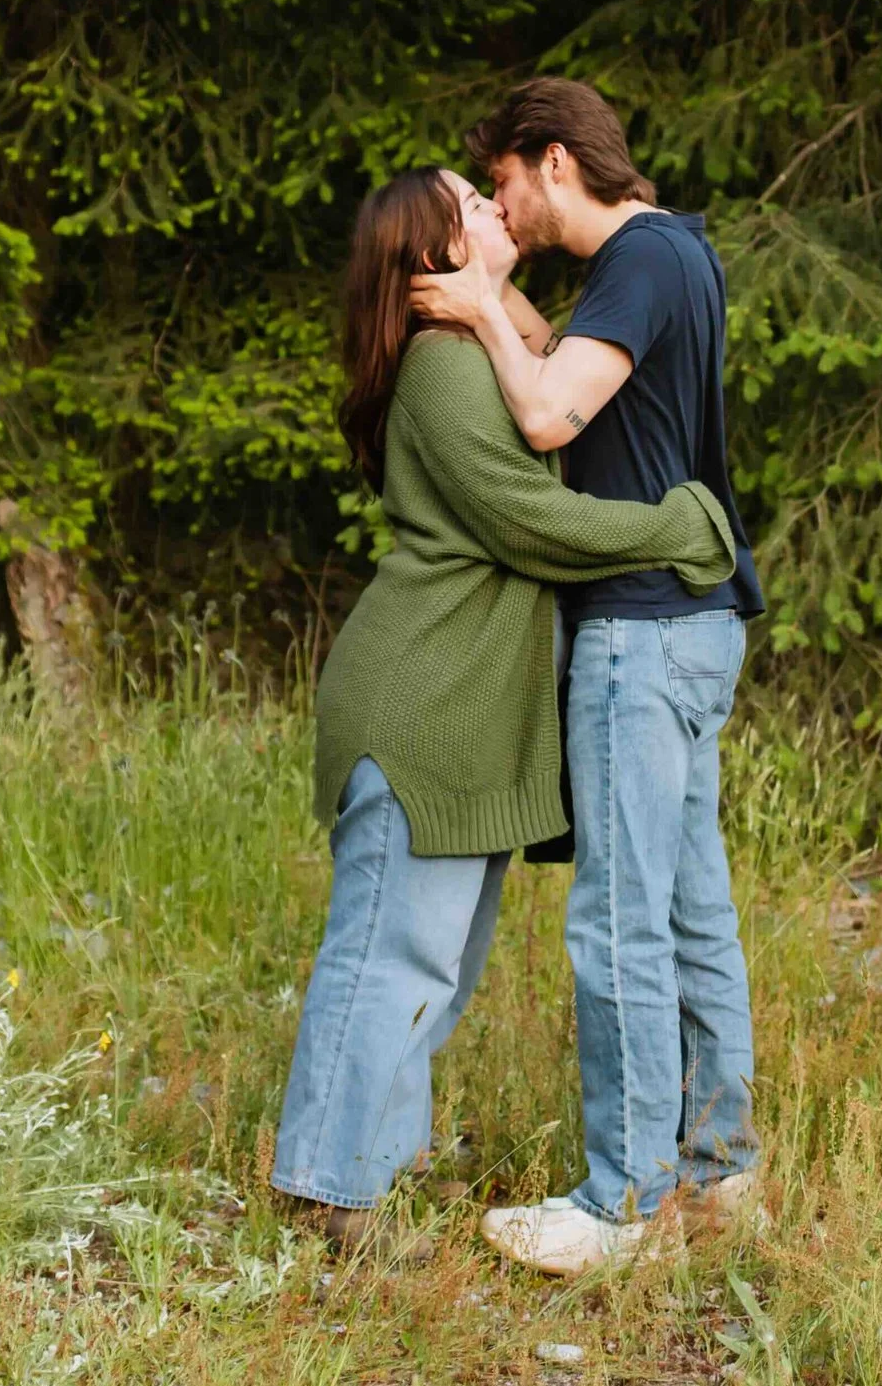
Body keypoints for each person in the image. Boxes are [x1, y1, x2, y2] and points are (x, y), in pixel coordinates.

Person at [273, 164, 741, 1239]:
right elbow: (534, 520)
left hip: (463, 711)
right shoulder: (442, 371)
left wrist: (486, 293)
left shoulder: (471, 350)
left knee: (435, 964)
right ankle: (325, 1190)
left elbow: (542, 374)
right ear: (434, 255)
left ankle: (365, 1178)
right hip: (419, 704)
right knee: (392, 955)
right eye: (471, 206)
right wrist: (682, 526)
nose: (496, 208)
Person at [412, 75, 762, 1273]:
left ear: (552, 161)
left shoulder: (639, 258)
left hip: (640, 629)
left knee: (618, 920)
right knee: (690, 908)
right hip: (694, 626)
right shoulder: (675, 256)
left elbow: (550, 418)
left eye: (505, 182)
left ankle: (621, 1205)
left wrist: (469, 318)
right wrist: (495, 304)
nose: (504, 208)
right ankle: (720, 1180)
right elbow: (567, 375)